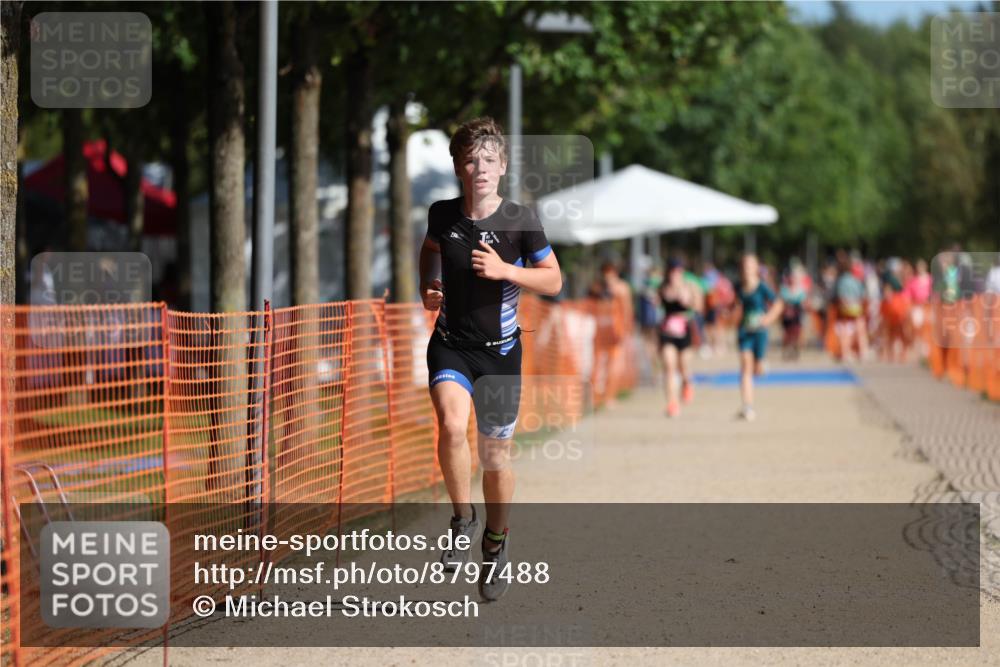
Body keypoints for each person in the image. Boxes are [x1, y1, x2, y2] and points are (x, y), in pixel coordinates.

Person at [418, 117, 561, 601]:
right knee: (451, 425)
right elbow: (430, 249)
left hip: (500, 352)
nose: (479, 167)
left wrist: (505, 271)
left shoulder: (520, 219)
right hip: (451, 343)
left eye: (488, 160)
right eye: (470, 159)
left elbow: (554, 280)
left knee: (495, 454)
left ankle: (496, 543)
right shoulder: (442, 214)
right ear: (459, 166)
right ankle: (462, 519)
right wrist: (429, 283)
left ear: (502, 167)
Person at [734, 253, 783, 421]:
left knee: (757, 369)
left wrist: (768, 318)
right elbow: (733, 307)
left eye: (750, 266)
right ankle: (747, 406)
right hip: (744, 332)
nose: (747, 269)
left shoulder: (762, 287)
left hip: (760, 332)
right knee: (745, 366)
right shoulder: (738, 288)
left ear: (756, 268)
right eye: (744, 266)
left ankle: (761, 363)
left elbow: (778, 303)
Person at [658, 258, 696, 417]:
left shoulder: (688, 287)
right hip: (667, 332)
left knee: (683, 366)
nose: (674, 274)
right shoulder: (662, 288)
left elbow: (694, 306)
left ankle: (687, 383)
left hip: (684, 331)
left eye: (678, 271)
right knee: (669, 366)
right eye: (672, 271)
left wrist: (683, 295)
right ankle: (672, 403)